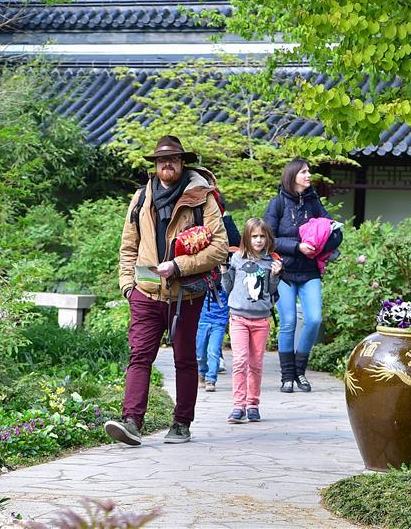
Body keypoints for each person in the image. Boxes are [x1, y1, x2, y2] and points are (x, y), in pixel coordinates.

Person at [105, 136, 228, 446]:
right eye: (162, 160)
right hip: (145, 292)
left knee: (185, 359)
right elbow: (128, 246)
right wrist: (127, 287)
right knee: (139, 356)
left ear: (182, 162)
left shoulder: (202, 197)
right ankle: (132, 421)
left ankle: (182, 422)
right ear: (155, 165)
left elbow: (220, 248)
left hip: (185, 293)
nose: (167, 165)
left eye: (173, 159)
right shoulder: (141, 198)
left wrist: (179, 266)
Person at [263, 158, 330, 393]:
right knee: (289, 322)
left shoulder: (314, 202)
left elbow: (329, 227)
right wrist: (297, 246)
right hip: (284, 272)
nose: (309, 175)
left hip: (310, 271)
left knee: (314, 320)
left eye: (309, 171)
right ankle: (287, 376)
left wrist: (329, 243)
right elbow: (267, 239)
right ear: (292, 176)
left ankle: (300, 371)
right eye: (303, 172)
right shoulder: (278, 204)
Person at [223, 218, 282, 422]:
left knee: (256, 363)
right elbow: (228, 287)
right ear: (247, 238)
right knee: (240, 361)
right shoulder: (237, 258)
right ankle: (238, 405)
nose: (258, 240)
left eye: (262, 236)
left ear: (267, 238)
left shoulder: (271, 261)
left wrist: (276, 275)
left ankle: (253, 404)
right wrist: (223, 271)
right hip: (238, 317)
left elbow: (271, 291)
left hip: (261, 319)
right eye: (254, 236)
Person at [196, 286, 229, 392]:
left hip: (219, 322)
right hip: (203, 321)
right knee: (200, 353)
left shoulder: (226, 280)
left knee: (213, 351)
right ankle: (202, 372)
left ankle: (211, 379)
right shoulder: (203, 281)